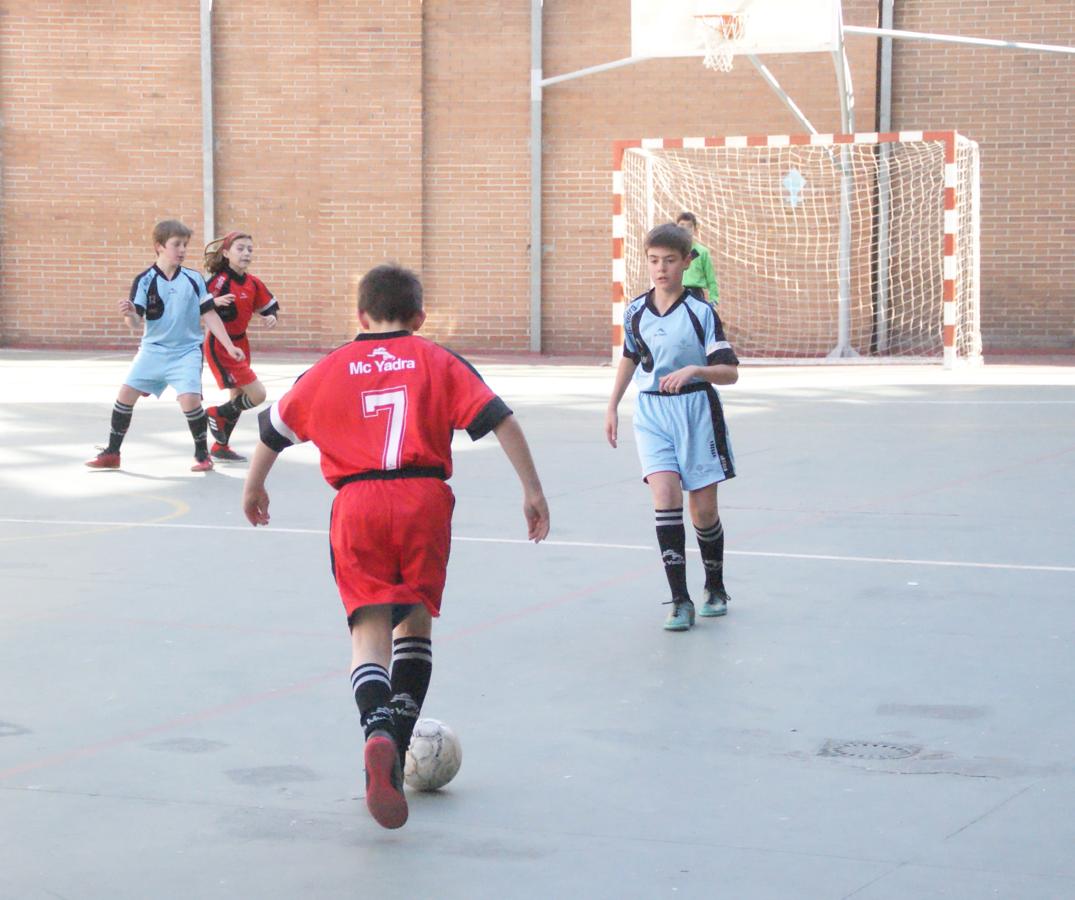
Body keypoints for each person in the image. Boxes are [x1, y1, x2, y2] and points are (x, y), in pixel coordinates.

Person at [241, 263, 549, 829]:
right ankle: (396, 741)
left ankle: (375, 732)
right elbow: (500, 420)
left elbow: (273, 429)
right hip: (424, 500)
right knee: (416, 623)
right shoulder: (437, 359)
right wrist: (532, 490)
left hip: (357, 503)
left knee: (369, 629)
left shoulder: (330, 367)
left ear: (360, 316)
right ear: (419, 317)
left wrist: (255, 484)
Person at [605, 223, 738, 632]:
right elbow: (631, 356)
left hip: (696, 410)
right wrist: (612, 405)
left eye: (669, 261)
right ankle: (679, 600)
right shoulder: (635, 312)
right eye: (653, 261)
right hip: (651, 413)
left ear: (686, 262)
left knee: (704, 510)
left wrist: (696, 369)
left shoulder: (701, 313)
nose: (661, 269)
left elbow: (729, 372)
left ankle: (714, 586)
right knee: (664, 497)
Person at [85, 220, 244, 472]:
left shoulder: (193, 279)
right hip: (153, 350)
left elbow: (210, 315)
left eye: (185, 245)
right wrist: (129, 313)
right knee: (125, 395)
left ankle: (202, 455)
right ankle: (112, 452)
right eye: (176, 244)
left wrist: (228, 345)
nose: (182, 250)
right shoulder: (145, 280)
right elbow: (135, 322)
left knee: (190, 400)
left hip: (186, 352)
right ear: (159, 246)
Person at [202, 231, 281, 462]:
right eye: (240, 248)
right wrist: (213, 302)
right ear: (226, 253)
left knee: (236, 395)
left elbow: (268, 306)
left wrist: (271, 317)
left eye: (250, 249)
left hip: (242, 342)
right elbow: (200, 308)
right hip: (222, 345)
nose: (246, 253)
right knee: (257, 394)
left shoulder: (253, 282)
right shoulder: (218, 282)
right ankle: (217, 413)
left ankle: (220, 445)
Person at [676, 211, 720, 305]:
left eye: (689, 226)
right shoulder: (673, 251)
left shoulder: (702, 251)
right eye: (682, 225)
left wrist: (714, 298)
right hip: (676, 294)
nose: (685, 228)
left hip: (695, 294)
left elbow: (711, 277)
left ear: (695, 229)